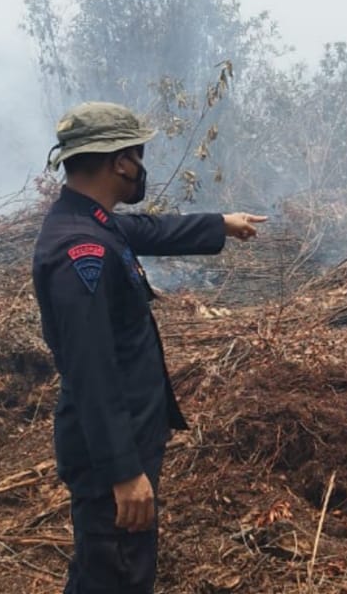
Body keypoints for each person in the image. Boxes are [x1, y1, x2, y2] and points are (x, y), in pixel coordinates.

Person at [32, 102, 267, 594]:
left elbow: (150, 230)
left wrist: (220, 223)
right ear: (121, 161)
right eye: (138, 154)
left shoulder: (91, 221)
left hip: (121, 440)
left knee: (104, 570)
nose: (141, 167)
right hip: (110, 457)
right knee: (118, 575)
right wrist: (124, 473)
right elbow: (91, 371)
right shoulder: (82, 251)